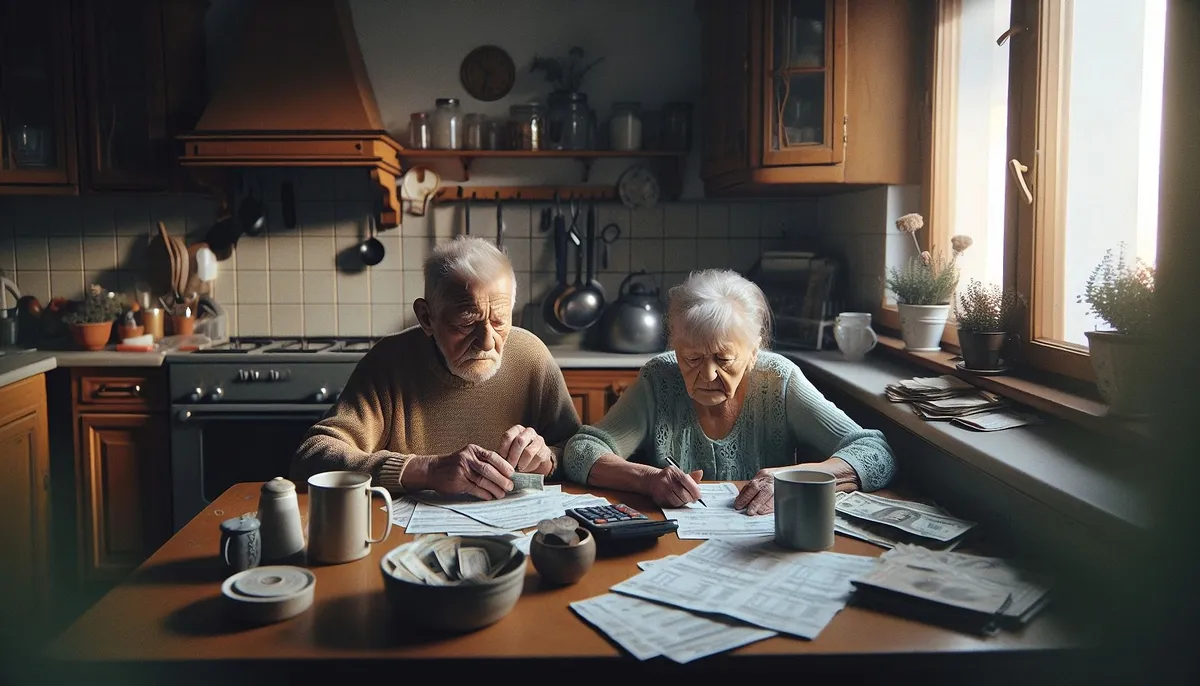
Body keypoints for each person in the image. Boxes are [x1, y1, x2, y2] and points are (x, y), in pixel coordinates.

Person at [563, 269, 895, 515]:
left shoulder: (779, 380)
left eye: (724, 358)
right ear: (675, 349)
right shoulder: (660, 377)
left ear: (754, 352)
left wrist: (796, 478)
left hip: (762, 551)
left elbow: (874, 451)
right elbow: (582, 450)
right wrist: (648, 480)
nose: (707, 374)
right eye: (692, 358)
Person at [292, 236, 580, 499]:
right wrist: (425, 470)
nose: (487, 342)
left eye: (499, 321)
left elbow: (580, 451)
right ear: (427, 318)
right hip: (402, 537)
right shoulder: (390, 361)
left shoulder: (531, 356)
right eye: (467, 322)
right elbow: (312, 456)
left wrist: (549, 458)